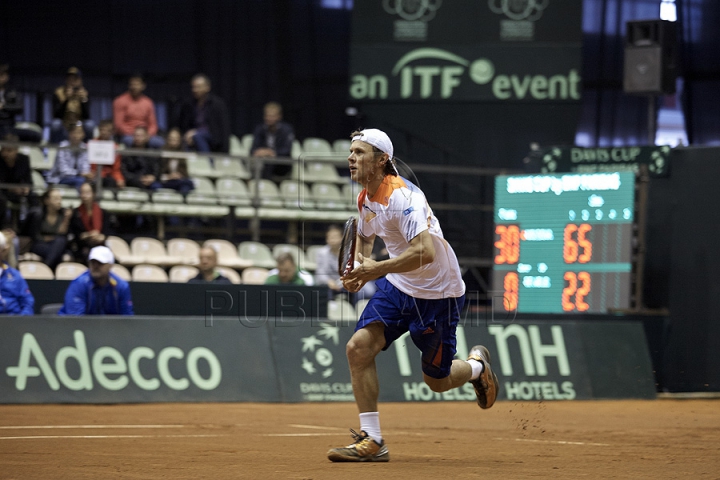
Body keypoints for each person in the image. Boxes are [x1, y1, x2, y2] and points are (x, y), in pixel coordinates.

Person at [326, 129, 499, 463]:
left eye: (360, 152)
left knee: (437, 380)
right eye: (350, 152)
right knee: (358, 348)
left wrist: (374, 270)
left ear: (381, 161)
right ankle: (373, 440)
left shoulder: (404, 198)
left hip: (439, 295)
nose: (351, 158)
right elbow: (364, 241)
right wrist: (358, 271)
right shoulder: (365, 197)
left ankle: (477, 368)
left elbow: (424, 252)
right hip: (399, 287)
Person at [58, 245, 133, 315]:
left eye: (100, 263)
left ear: (110, 265)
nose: (95, 266)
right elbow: (75, 319)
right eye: (93, 262)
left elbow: (126, 318)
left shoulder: (121, 286)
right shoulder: (79, 284)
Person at [314, 223, 375, 304]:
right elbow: (321, 273)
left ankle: (356, 311)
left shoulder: (351, 250)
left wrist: (350, 281)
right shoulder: (322, 253)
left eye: (335, 237)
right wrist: (329, 282)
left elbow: (357, 268)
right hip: (331, 283)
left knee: (369, 290)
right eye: (329, 237)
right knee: (322, 289)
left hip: (349, 281)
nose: (332, 239)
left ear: (342, 237)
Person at [177, 74, 230, 153]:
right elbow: (184, 124)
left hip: (213, 138)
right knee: (185, 139)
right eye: (193, 87)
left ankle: (207, 163)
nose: (195, 90)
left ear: (207, 88)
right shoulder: (188, 105)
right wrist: (188, 134)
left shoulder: (217, 104)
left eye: (198, 87)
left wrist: (195, 133)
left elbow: (224, 128)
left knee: (198, 136)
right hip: (192, 137)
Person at [113, 74, 164, 149]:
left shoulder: (148, 102)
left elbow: (153, 125)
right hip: (129, 135)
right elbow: (119, 125)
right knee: (128, 140)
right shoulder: (119, 101)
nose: (134, 87)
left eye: (137, 84)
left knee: (161, 142)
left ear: (143, 86)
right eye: (132, 84)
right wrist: (136, 136)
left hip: (145, 135)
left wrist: (146, 135)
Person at [28, 187, 71, 270]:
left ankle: (47, 266)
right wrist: (48, 239)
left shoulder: (64, 214)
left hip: (58, 244)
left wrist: (66, 220)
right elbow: (34, 236)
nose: (59, 202)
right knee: (58, 252)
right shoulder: (38, 214)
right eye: (55, 199)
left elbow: (64, 234)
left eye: (60, 199)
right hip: (40, 244)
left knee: (60, 241)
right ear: (47, 200)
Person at [251, 101, 295, 178]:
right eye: (267, 116)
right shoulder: (260, 129)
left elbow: (286, 150)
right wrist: (261, 152)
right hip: (264, 162)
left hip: (281, 164)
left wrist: (271, 152)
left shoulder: (287, 130)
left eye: (272, 116)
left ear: (279, 116)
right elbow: (254, 148)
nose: (269, 119)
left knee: (270, 164)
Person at [50, 67, 94, 144]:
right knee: (55, 124)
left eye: (75, 79)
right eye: (70, 79)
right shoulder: (58, 92)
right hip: (64, 126)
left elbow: (87, 117)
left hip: (79, 127)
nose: (72, 82)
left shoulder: (85, 93)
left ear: (80, 81)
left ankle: (87, 147)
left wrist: (83, 101)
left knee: (90, 125)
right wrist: (66, 100)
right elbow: (56, 116)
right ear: (66, 80)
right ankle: (53, 149)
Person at [0, 133, 34, 230]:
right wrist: (12, 189)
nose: (5, 153)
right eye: (3, 150)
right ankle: (5, 227)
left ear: (16, 150)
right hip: (3, 192)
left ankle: (27, 230)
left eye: (9, 150)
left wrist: (26, 188)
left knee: (33, 198)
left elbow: (29, 180)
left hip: (19, 192)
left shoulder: (24, 159)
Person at [69, 181, 109, 261]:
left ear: (93, 194)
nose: (84, 196)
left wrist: (102, 237)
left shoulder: (103, 212)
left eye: (87, 193)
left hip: (100, 245)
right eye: (82, 193)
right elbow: (74, 234)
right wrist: (87, 235)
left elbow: (108, 232)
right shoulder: (76, 213)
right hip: (82, 246)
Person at [46, 123, 93, 189]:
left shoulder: (84, 147)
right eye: (74, 132)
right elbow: (63, 171)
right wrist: (80, 174)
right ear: (69, 134)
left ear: (83, 134)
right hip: (59, 178)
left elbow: (85, 167)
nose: (76, 135)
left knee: (93, 183)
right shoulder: (62, 147)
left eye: (79, 133)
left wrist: (87, 174)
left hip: (78, 178)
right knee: (81, 182)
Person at [0, 231, 35, 315]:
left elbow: (27, 302)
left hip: (13, 321)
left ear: (3, 250)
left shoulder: (14, 275)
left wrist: (21, 321)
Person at [121, 125, 160, 190]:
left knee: (157, 186)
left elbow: (156, 169)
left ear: (147, 137)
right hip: (133, 180)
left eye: (141, 136)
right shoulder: (127, 153)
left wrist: (153, 177)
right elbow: (124, 171)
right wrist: (139, 178)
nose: (138, 138)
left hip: (149, 181)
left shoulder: (152, 153)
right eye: (136, 135)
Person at [89, 119, 125, 189]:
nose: (104, 132)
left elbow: (116, 168)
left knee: (112, 182)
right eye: (102, 130)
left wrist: (119, 179)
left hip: (108, 177)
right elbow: (88, 164)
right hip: (93, 176)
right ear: (99, 130)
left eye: (108, 130)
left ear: (112, 132)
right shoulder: (92, 144)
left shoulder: (115, 148)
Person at [159, 128, 194, 195]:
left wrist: (179, 175)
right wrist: (169, 176)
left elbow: (185, 173)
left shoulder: (182, 154)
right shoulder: (162, 153)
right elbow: (158, 174)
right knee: (188, 183)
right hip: (166, 182)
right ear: (167, 139)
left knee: (185, 187)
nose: (174, 141)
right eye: (171, 139)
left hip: (179, 181)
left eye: (176, 139)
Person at [0, 64, 23, 139]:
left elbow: (19, 108)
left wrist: (3, 106)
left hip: (8, 125)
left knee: (35, 135)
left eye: (2, 75)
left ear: (7, 77)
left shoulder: (12, 91)